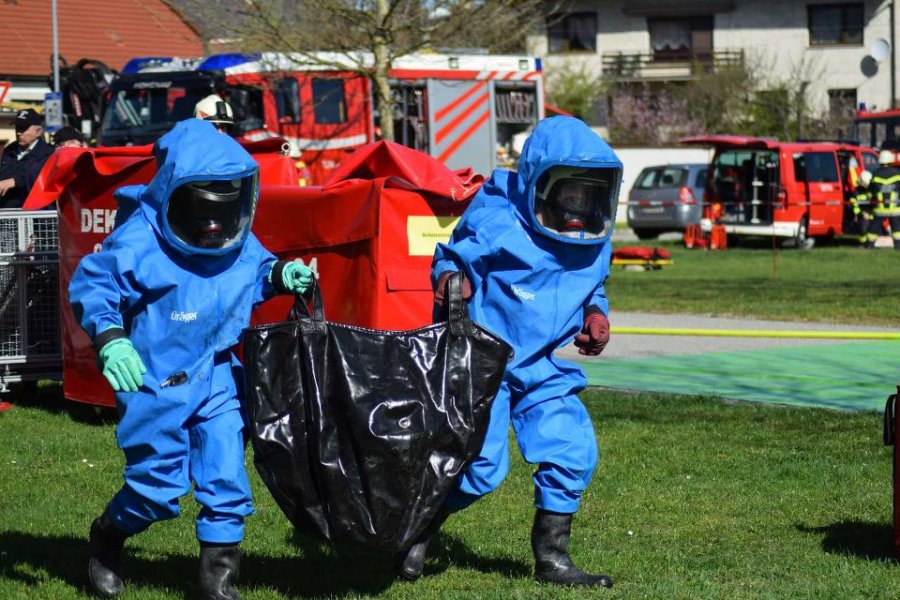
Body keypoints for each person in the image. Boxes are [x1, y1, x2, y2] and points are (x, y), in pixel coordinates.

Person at [69, 119, 316, 599]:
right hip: (155, 380)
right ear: (175, 194)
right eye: (204, 211)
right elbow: (95, 284)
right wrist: (111, 337)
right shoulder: (140, 240)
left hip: (218, 371)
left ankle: (217, 586)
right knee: (155, 490)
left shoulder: (234, 238)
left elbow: (255, 272)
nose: (213, 225)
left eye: (224, 210)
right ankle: (108, 535)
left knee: (226, 479)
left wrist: (283, 275)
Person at [396, 116, 621, 588]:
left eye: (588, 194)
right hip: (486, 360)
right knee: (480, 469)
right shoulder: (499, 217)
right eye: (569, 194)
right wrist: (448, 282)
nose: (579, 206)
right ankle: (416, 530)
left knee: (572, 451)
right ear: (541, 184)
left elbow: (594, 287)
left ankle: (552, 561)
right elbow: (451, 259)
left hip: (541, 366)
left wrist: (596, 318)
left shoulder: (594, 241)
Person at [0, 109, 54, 209]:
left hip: (34, 215)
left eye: (23, 129)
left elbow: (40, 178)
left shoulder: (48, 153)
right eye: (17, 128)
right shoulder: (9, 150)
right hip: (8, 214)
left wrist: (15, 181)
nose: (19, 133)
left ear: (38, 132)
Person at [867, 149, 900, 249]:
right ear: (891, 160)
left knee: (873, 229)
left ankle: (869, 247)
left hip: (879, 209)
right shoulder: (898, 173)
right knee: (897, 229)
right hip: (895, 209)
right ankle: (898, 247)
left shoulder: (875, 174)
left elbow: (871, 191)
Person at [850, 170, 873, 246]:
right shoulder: (856, 192)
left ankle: (869, 245)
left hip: (872, 214)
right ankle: (861, 244)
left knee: (872, 232)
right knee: (863, 230)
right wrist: (861, 213)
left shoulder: (871, 191)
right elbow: (853, 205)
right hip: (862, 215)